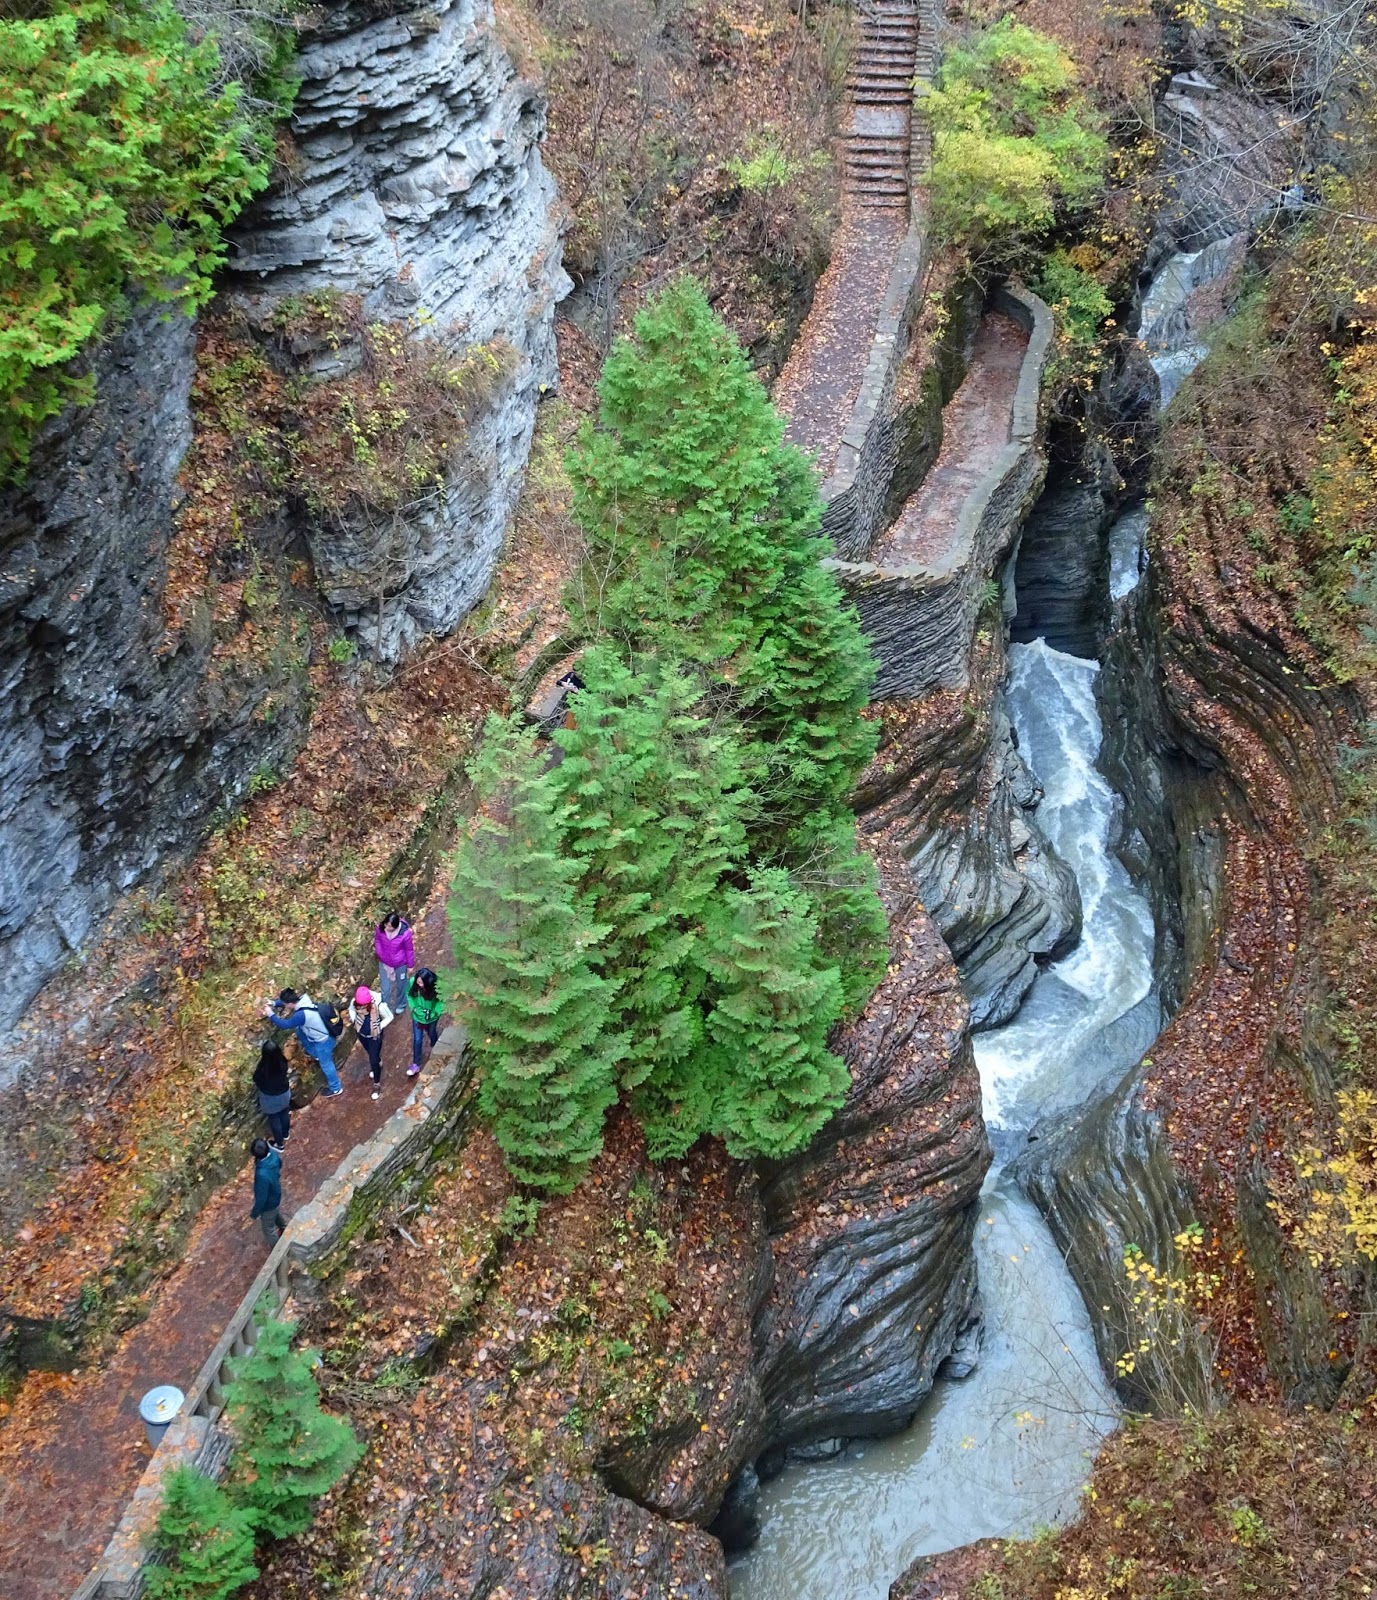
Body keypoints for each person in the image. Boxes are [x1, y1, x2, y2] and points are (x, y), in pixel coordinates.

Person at [265, 988, 344, 1096]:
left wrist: (271, 1014)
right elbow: (287, 1002)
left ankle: (336, 1088)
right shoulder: (303, 999)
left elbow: (285, 1025)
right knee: (299, 1029)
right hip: (322, 1033)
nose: (284, 1005)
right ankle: (315, 1054)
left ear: (289, 1004)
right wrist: (273, 1003)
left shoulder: (301, 1015)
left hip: (323, 1041)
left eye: (284, 1003)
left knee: (326, 1064)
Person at [348, 984, 394, 1100]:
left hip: (375, 1036)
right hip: (362, 1035)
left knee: (373, 1059)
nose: (361, 1010)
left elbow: (389, 1017)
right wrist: (354, 1018)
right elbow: (351, 1009)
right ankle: (378, 1062)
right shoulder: (355, 1002)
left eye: (363, 1008)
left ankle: (376, 1084)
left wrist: (379, 1027)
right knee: (372, 1054)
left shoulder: (379, 1006)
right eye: (359, 1007)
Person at [253, 1041, 293, 1150]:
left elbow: (256, 1080)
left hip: (270, 1099)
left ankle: (279, 1144)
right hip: (285, 1094)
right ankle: (286, 1134)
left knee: (274, 1120)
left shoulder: (263, 1070)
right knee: (284, 1113)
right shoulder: (282, 1062)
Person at [375, 912, 415, 1019]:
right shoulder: (380, 928)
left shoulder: (404, 934)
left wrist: (410, 965)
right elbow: (378, 940)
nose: (387, 928)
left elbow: (409, 950)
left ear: (396, 926)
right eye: (386, 925)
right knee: (385, 987)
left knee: (401, 984)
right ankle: (385, 1007)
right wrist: (379, 952)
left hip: (400, 963)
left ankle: (401, 1004)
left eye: (390, 926)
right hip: (384, 962)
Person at [406, 968, 442, 1078]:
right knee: (417, 1039)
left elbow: (441, 1001)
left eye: (422, 982)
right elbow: (409, 995)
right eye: (418, 981)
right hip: (417, 1017)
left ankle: (435, 1047)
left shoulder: (437, 986)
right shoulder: (413, 983)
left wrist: (434, 1013)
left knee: (431, 1033)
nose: (419, 984)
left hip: (431, 1018)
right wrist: (415, 1009)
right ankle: (416, 1064)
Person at [250, 1138, 286, 1246]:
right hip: (276, 1192)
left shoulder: (261, 1174)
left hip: (268, 1203)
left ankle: (278, 1250)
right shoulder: (273, 1155)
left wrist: (254, 1213)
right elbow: (280, 1163)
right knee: (275, 1212)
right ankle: (284, 1228)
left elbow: (262, 1198)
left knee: (268, 1230)